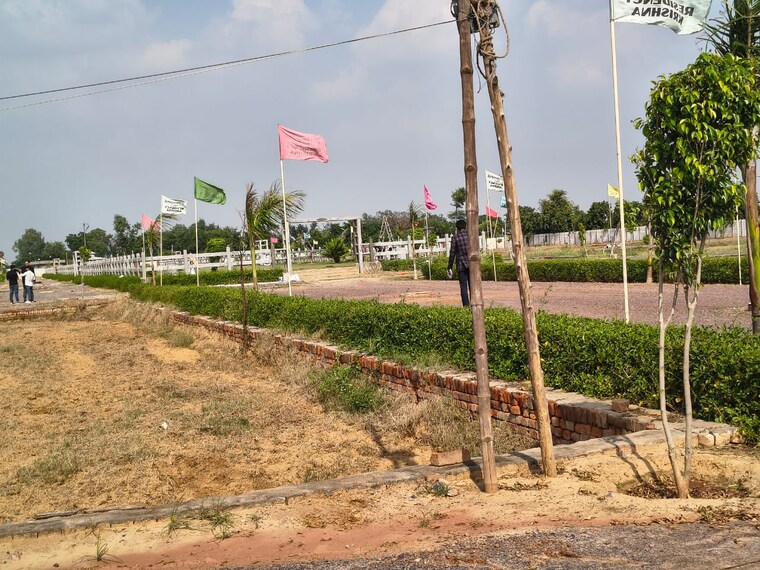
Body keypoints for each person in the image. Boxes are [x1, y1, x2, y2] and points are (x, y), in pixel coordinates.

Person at [447, 219, 470, 307]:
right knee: (473, 286)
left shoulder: (455, 238)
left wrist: (449, 266)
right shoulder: (470, 236)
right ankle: (475, 304)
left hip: (461, 265)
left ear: (457, 228)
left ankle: (466, 306)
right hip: (472, 264)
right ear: (466, 226)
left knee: (463, 287)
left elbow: (452, 253)